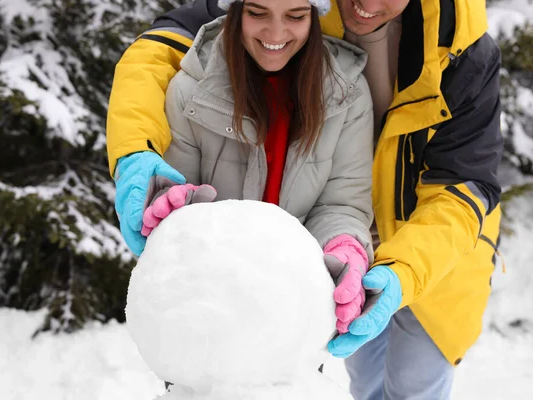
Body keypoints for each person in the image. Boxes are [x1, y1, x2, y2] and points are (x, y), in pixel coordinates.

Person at [107, 0, 504, 399]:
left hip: (432, 250)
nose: (366, 3)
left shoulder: (464, 54)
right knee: (366, 380)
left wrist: (398, 271)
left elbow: (461, 188)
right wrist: (135, 153)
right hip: (338, 239)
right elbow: (156, 53)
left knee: (415, 382)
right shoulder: (274, 14)